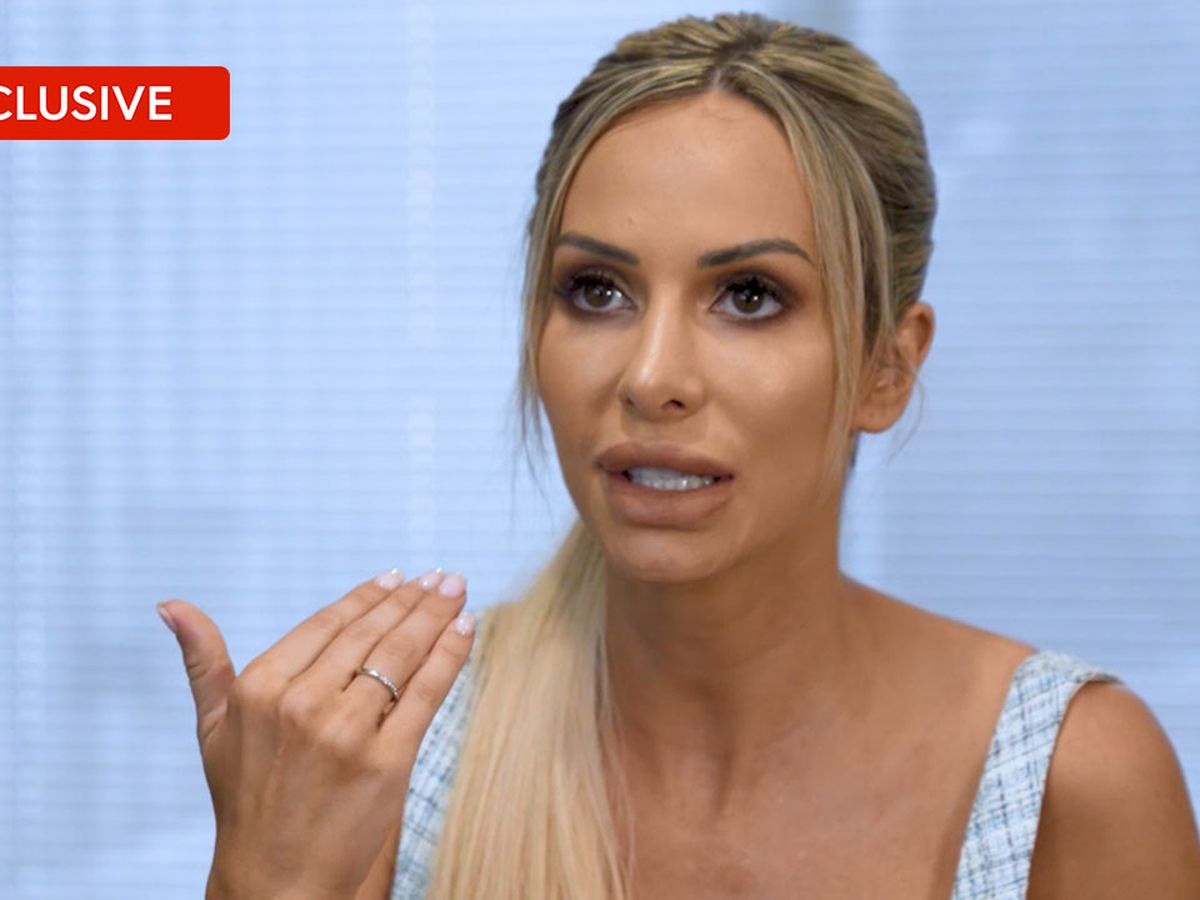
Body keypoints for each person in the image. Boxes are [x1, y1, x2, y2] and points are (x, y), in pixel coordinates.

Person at [158, 11, 1200, 900]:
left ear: (888, 368)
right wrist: (265, 879)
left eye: (750, 296)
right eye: (597, 291)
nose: (652, 377)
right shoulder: (384, 765)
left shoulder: (1069, 781)